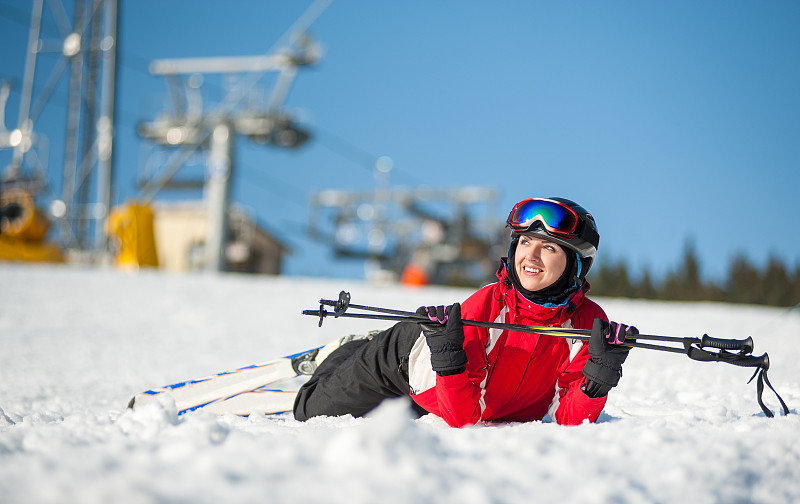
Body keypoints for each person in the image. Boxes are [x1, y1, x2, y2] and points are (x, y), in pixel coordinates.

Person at [294, 197, 638, 427]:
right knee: (308, 410)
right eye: (525, 243)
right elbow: (464, 419)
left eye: (548, 247)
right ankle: (347, 351)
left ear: (575, 264)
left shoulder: (586, 327)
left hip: (441, 397)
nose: (531, 257)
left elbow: (568, 418)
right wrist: (445, 355)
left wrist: (596, 383)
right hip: (406, 362)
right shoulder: (486, 308)